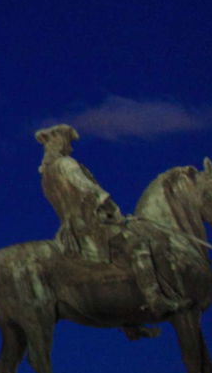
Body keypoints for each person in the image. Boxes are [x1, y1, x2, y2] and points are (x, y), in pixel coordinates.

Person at [36, 124, 176, 314]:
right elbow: (86, 187)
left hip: (69, 229)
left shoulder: (47, 174)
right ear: (60, 143)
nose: (71, 147)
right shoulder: (66, 164)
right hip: (91, 225)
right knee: (138, 244)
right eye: (68, 143)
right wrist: (108, 204)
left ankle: (132, 318)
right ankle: (155, 299)